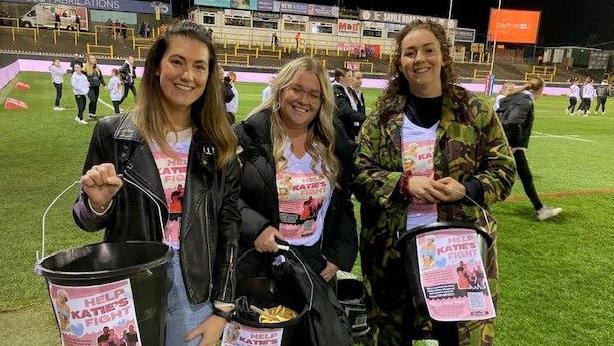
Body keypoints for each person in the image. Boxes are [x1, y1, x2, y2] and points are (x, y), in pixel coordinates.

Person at [72, 20, 240, 346]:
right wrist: (98, 203)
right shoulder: (115, 134)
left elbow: (229, 227)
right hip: (130, 281)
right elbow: (85, 217)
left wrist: (222, 310)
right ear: (157, 66)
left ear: (210, 76)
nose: (187, 75)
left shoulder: (220, 143)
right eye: (177, 61)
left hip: (195, 285)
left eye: (199, 66)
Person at [353, 20, 516, 345]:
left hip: (458, 253)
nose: (419, 59)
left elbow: (503, 171)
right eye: (409, 52)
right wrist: (404, 185)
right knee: (392, 334)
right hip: (392, 252)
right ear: (400, 62)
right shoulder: (383, 117)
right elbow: (359, 172)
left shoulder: (475, 112)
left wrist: (466, 189)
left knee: (459, 336)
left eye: (428, 50)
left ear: (444, 56)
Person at [233, 56, 358, 281]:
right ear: (280, 90)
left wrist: (338, 256)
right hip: (258, 264)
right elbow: (225, 196)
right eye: (297, 89)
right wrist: (256, 228)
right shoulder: (247, 136)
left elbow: (343, 203)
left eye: (314, 95)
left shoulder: (332, 143)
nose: (304, 100)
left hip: (314, 263)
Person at [499, 77, 563, 221]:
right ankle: (540, 209)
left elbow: (500, 112)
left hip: (503, 143)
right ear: (539, 90)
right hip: (510, 144)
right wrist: (512, 146)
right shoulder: (524, 100)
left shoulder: (515, 96)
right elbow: (512, 122)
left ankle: (540, 208)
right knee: (521, 177)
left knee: (525, 176)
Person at [332, 68, 365, 140]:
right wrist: (365, 118)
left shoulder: (344, 90)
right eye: (349, 76)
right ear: (341, 78)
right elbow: (346, 111)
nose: (351, 78)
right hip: (341, 131)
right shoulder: (337, 91)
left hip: (345, 130)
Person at [83, 54, 105, 119]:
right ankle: (90, 113)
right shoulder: (85, 68)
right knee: (93, 100)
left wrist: (104, 84)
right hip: (89, 87)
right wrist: (87, 83)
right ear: (88, 60)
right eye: (91, 58)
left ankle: (93, 113)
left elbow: (100, 77)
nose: (93, 59)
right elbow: (83, 77)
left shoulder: (97, 68)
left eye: (94, 58)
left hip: (96, 86)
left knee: (95, 100)